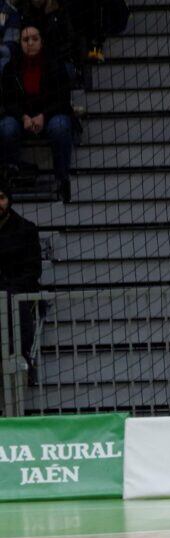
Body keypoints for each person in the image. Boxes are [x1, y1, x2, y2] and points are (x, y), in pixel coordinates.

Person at [0, 24, 73, 202]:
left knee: (61, 126)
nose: (30, 43)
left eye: (34, 39)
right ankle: (10, 176)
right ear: (20, 43)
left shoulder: (55, 65)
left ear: (42, 41)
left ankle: (62, 179)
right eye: (25, 40)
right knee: (6, 127)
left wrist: (43, 116)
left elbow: (63, 99)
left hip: (50, 116)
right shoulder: (11, 68)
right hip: (21, 119)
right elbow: (8, 102)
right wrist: (23, 117)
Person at [0, 182, 42, 376]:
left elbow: (34, 270)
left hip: (16, 291)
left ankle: (19, 353)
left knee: (13, 301)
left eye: (1, 197)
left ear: (9, 200)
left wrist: (9, 287)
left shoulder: (26, 229)